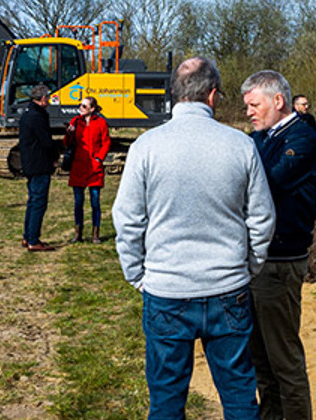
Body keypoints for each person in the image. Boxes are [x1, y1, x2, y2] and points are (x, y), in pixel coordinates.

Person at [113, 56, 272, 420]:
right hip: (228, 288)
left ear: (174, 94)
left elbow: (127, 219)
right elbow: (262, 219)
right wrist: (248, 267)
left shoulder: (146, 147)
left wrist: (137, 274)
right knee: (238, 397)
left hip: (167, 290)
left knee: (167, 402)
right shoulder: (240, 145)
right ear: (212, 95)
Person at [243, 70, 316, 419]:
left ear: (278, 101)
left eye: (254, 104)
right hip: (258, 260)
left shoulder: (302, 138)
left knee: (284, 360)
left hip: (281, 260)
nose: (248, 112)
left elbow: (266, 182)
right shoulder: (261, 137)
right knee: (260, 359)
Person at [17, 84, 61, 251]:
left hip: (30, 163)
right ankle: (33, 240)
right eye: (48, 97)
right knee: (38, 202)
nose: (49, 100)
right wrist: (55, 155)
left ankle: (27, 236)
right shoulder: (37, 116)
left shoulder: (27, 114)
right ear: (42, 99)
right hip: (39, 164)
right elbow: (46, 141)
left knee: (32, 201)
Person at [66, 97, 112, 242]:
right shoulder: (75, 122)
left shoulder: (101, 123)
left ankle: (95, 233)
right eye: (80, 105)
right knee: (78, 202)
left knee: (95, 202)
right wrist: (69, 133)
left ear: (92, 109)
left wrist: (99, 158)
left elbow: (106, 142)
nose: (81, 108)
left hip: (94, 168)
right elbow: (67, 143)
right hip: (79, 167)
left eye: (84, 106)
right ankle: (78, 232)